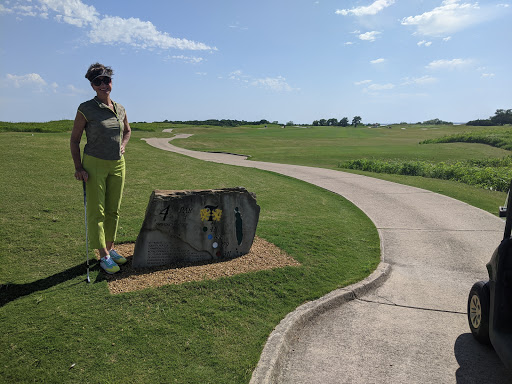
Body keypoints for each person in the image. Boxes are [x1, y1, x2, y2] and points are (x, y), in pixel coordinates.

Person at [70, 63, 131, 274]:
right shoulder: (86, 108)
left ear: (111, 82)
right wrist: (78, 167)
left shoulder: (120, 107)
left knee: (114, 209)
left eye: (107, 80)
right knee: (98, 211)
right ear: (93, 85)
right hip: (94, 163)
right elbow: (75, 140)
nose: (104, 84)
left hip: (118, 164)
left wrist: (122, 146)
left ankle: (111, 248)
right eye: (98, 82)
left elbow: (127, 131)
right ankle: (104, 255)